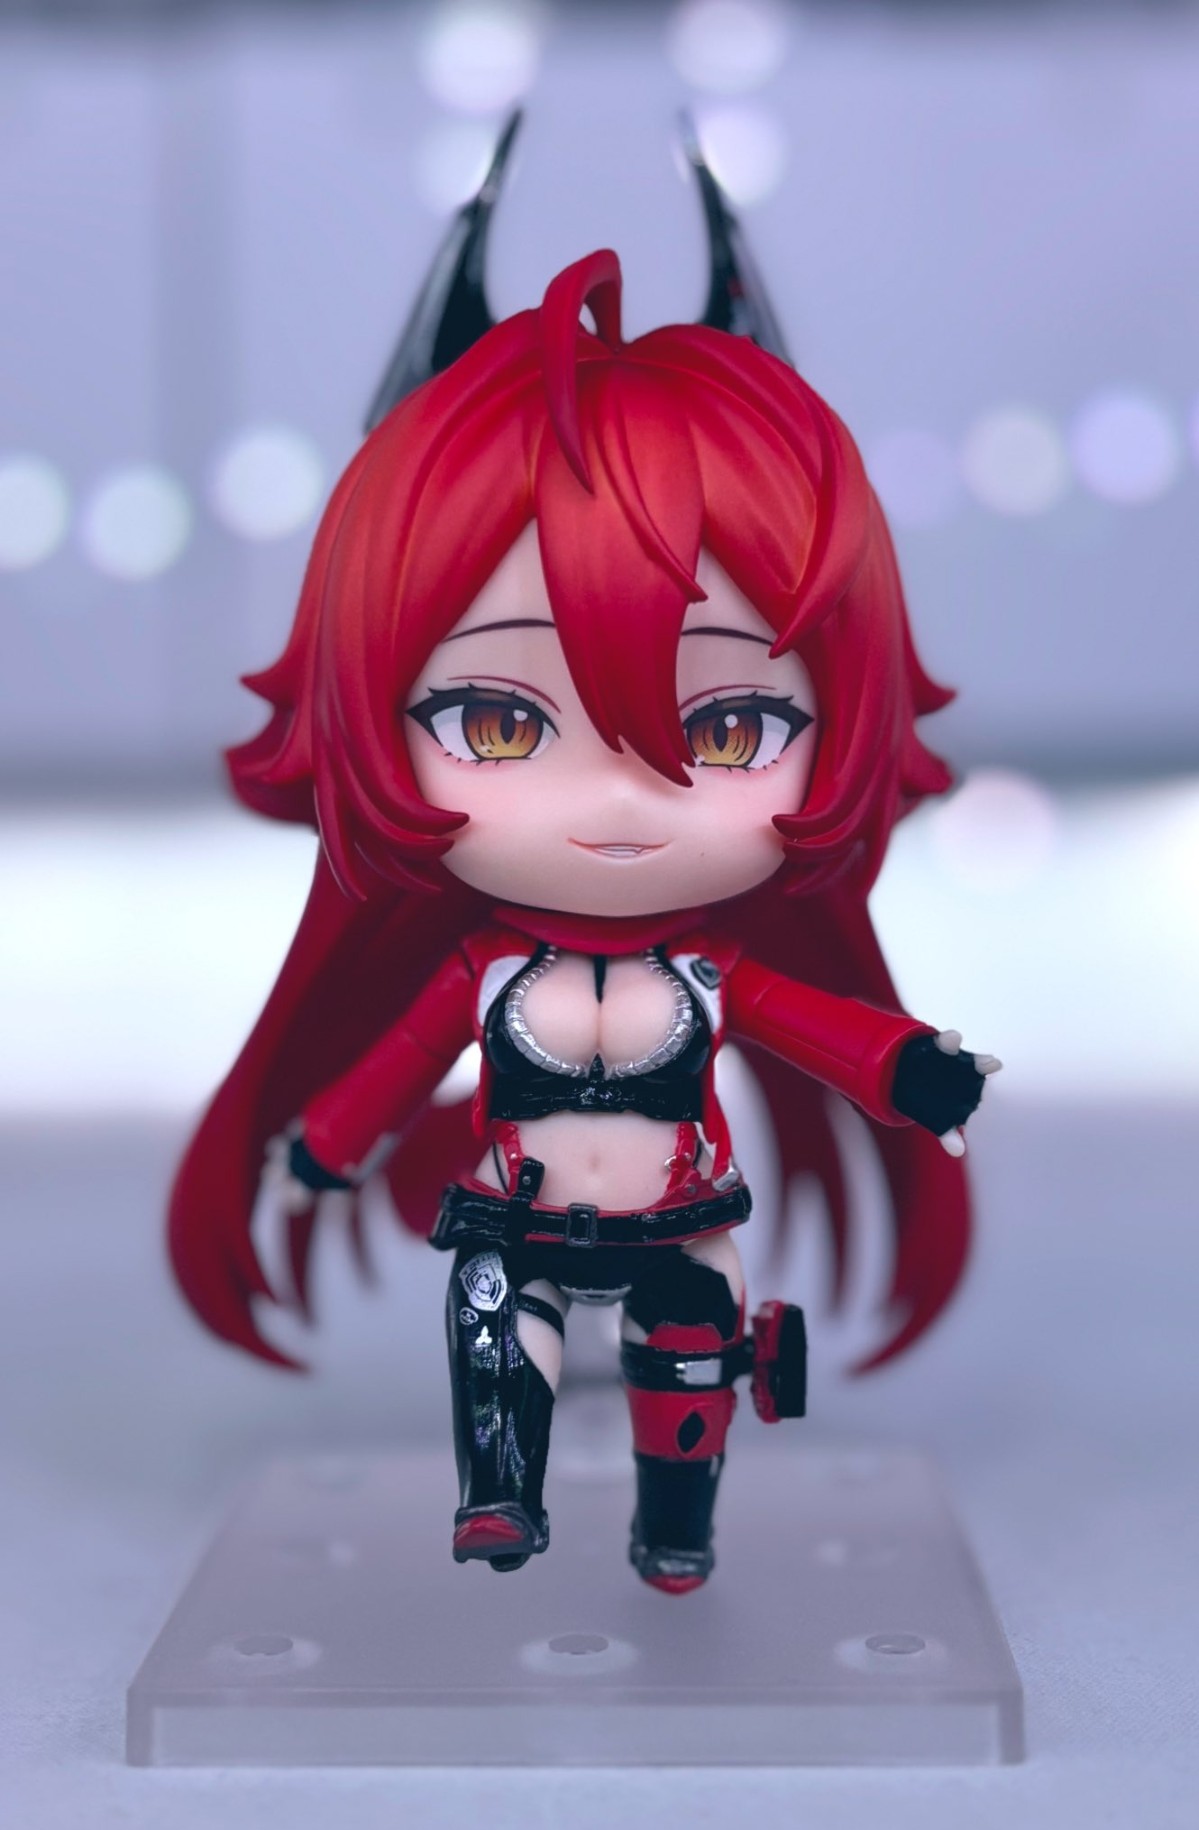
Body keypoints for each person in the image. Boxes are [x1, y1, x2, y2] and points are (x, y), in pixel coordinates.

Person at [169, 128, 997, 1594]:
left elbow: (823, 1031)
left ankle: (677, 1525)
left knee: (689, 1367)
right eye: (500, 721)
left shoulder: (712, 972)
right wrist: (330, 1143)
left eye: (728, 727)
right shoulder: (486, 970)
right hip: (518, 1216)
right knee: (495, 1320)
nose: (621, 796)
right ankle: (502, 1493)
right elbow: (398, 1062)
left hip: (684, 1224)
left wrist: (915, 1070)